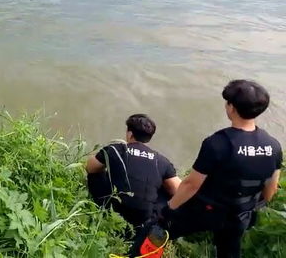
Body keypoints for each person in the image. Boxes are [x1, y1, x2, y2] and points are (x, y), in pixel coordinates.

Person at [161, 80, 282, 258]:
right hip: (241, 214)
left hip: (206, 210)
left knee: (165, 225)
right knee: (230, 251)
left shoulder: (217, 143)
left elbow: (191, 185)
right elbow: (271, 189)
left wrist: (169, 209)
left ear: (231, 107)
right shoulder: (273, 146)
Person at [86, 114, 181, 228]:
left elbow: (90, 167)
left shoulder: (115, 150)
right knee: (167, 188)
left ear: (130, 134)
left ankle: (101, 206)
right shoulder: (161, 161)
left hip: (113, 210)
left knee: (96, 173)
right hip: (143, 220)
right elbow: (179, 191)